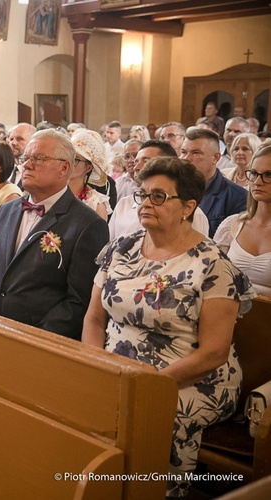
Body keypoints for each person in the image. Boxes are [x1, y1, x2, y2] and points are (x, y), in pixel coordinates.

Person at [82, 157, 255, 497]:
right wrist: (96, 368)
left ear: (188, 206)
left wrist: (148, 387)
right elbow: (93, 318)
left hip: (192, 377)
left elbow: (214, 352)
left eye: (159, 197)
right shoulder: (121, 248)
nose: (146, 203)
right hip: (119, 368)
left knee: (151, 416)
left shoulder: (213, 265)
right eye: (143, 195)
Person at [0, 129, 109, 340]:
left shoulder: (88, 225)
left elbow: (78, 303)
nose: (27, 165)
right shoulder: (6, 210)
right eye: (26, 158)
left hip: (39, 344)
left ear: (64, 167)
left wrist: (33, 338)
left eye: (38, 159)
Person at [109, 140, 210, 240]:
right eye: (136, 161)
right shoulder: (124, 204)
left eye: (146, 161)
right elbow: (110, 245)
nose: (136, 167)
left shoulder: (192, 213)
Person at [215, 144, 271, 295]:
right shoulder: (232, 225)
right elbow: (213, 277)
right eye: (254, 173)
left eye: (268, 175)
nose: (258, 182)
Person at [179, 128, 246, 237]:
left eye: (196, 153)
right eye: (183, 152)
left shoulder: (238, 198)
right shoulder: (172, 189)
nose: (186, 158)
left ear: (215, 158)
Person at [69, 129, 112, 220]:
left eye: (76, 159)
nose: (69, 162)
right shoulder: (52, 191)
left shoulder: (95, 204)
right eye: (68, 156)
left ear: (88, 167)